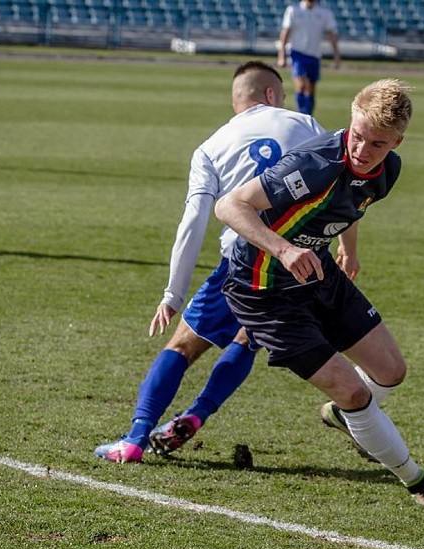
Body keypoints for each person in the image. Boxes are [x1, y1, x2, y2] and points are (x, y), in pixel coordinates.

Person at [215, 79, 424, 511]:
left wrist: (348, 250)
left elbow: (352, 204)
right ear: (350, 120)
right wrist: (283, 248)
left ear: (396, 142)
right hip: (263, 291)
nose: (363, 150)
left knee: (391, 370)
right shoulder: (313, 164)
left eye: (377, 143)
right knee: (354, 392)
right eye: (357, 136)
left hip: (318, 272)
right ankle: (417, 481)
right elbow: (230, 205)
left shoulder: (388, 170)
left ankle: (344, 419)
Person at [94, 61, 327, 463]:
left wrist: (173, 293)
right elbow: (337, 187)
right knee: (246, 341)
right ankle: (197, 413)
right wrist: (344, 247)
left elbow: (193, 222)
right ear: (271, 94)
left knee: (183, 345)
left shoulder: (211, 146)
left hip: (243, 258)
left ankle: (134, 439)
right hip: (298, 260)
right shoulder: (306, 124)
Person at [277, 0, 341, 116]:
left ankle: (308, 116)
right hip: (297, 53)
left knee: (311, 88)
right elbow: (286, 32)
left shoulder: (324, 13)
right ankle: (301, 114)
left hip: (314, 55)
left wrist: (336, 55)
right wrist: (282, 55)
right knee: (301, 85)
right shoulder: (294, 10)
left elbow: (331, 34)